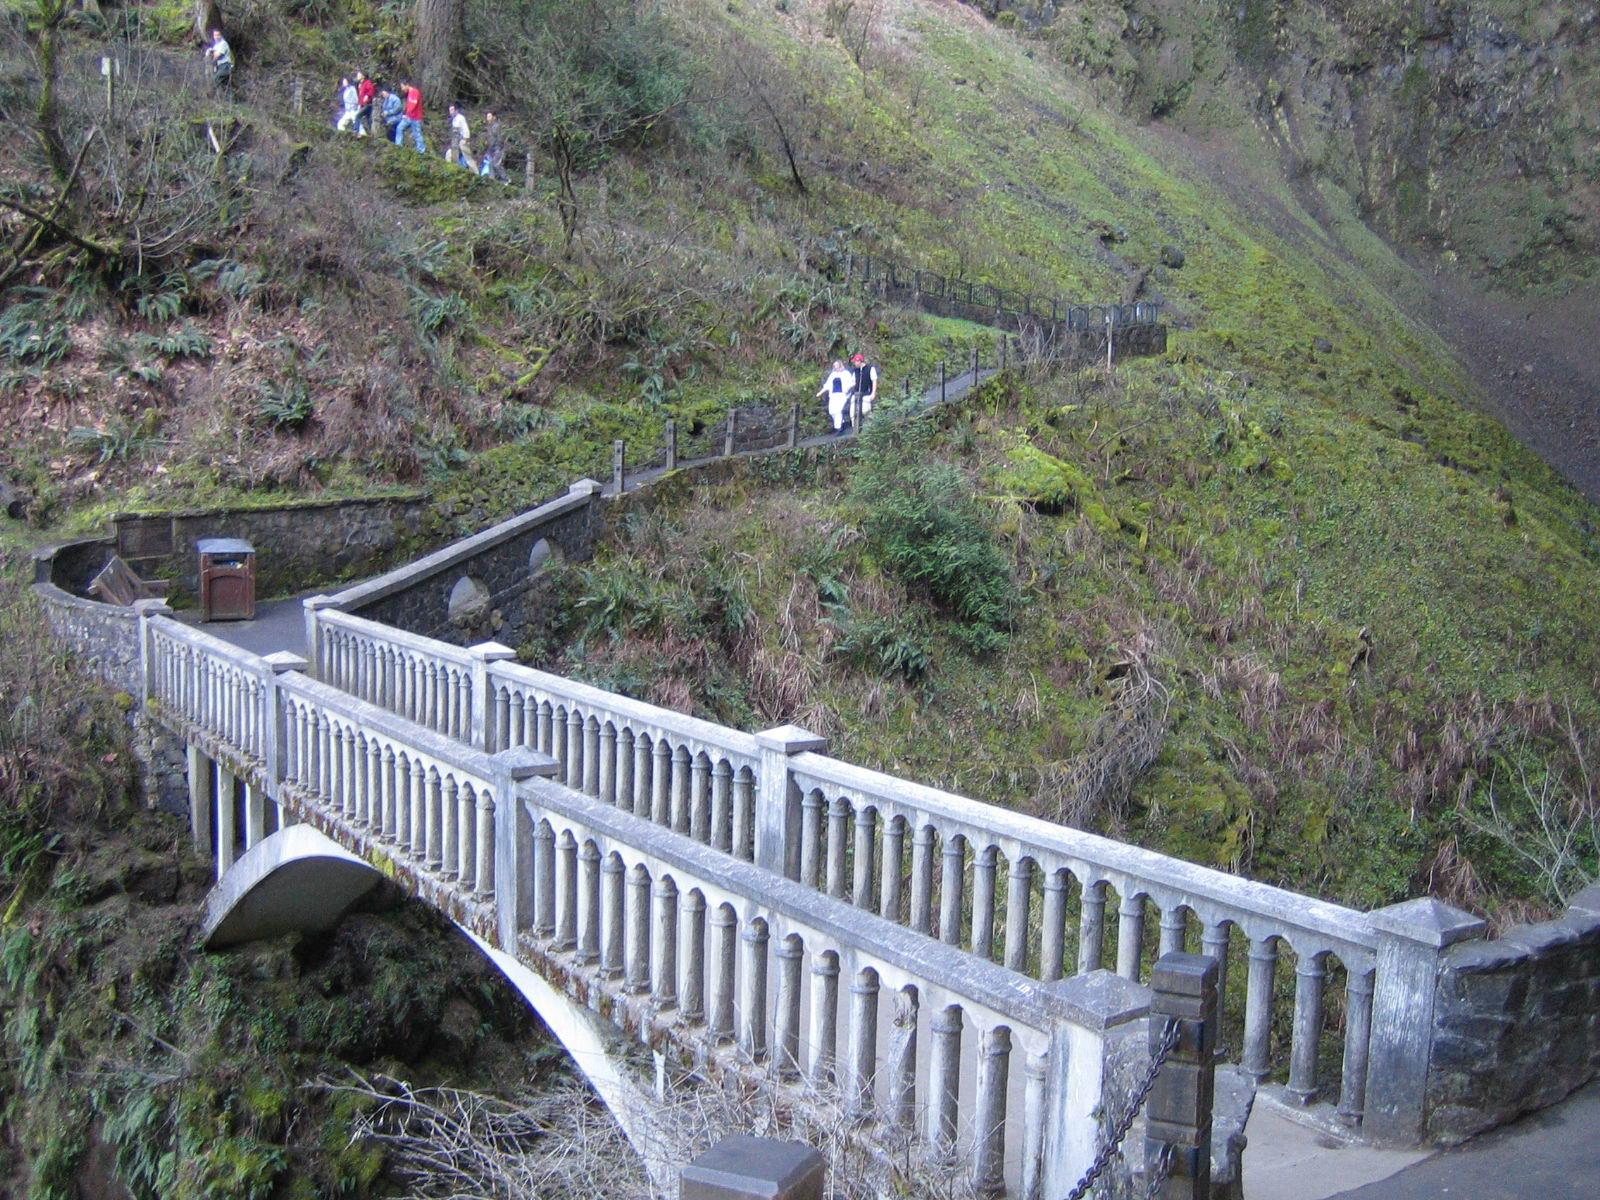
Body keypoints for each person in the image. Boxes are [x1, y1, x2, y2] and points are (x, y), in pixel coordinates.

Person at [816, 358, 854, 434]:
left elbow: (852, 383)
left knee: (838, 410)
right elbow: (827, 385)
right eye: (834, 366)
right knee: (832, 411)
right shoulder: (833, 374)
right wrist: (820, 393)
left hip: (842, 395)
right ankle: (842, 424)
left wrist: (847, 388)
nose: (835, 367)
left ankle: (838, 428)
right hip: (833, 395)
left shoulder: (846, 373)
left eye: (837, 365)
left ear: (840, 365)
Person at [477, 111, 509, 182]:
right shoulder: (489, 127)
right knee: (490, 164)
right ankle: (492, 180)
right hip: (491, 148)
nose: (487, 118)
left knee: (496, 164)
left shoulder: (497, 126)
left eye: (489, 116)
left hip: (497, 148)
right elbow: (490, 138)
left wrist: (498, 147)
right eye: (487, 117)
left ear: (494, 117)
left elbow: (500, 138)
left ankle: (506, 179)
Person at [394, 82, 426, 152]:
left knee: (417, 133)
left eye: (402, 87)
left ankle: (421, 150)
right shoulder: (410, 93)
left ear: (407, 85)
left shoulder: (414, 92)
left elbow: (413, 105)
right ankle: (398, 146)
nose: (402, 89)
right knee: (399, 128)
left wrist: (406, 114)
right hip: (409, 117)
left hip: (415, 117)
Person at [849, 352, 878, 425]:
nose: (855, 363)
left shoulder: (870, 368)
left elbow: (874, 380)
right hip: (856, 394)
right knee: (852, 412)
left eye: (855, 361)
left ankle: (870, 426)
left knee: (866, 410)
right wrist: (848, 387)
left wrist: (873, 393)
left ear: (859, 361)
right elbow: (853, 382)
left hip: (866, 393)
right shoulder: (855, 370)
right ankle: (854, 426)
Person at [445, 104, 476, 171]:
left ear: (456, 110)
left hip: (463, 141)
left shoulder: (461, 118)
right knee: (450, 154)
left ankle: (475, 173)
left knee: (468, 159)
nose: (451, 112)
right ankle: (454, 170)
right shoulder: (454, 120)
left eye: (452, 110)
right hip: (457, 143)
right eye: (450, 110)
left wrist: (465, 140)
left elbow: (466, 130)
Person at [354, 71, 377, 136]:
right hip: (363, 104)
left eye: (359, 75)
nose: (357, 76)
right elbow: (361, 95)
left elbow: (371, 90)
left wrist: (367, 95)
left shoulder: (367, 82)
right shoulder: (360, 84)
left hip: (367, 104)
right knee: (368, 120)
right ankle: (372, 135)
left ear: (363, 76)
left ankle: (356, 131)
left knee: (358, 116)